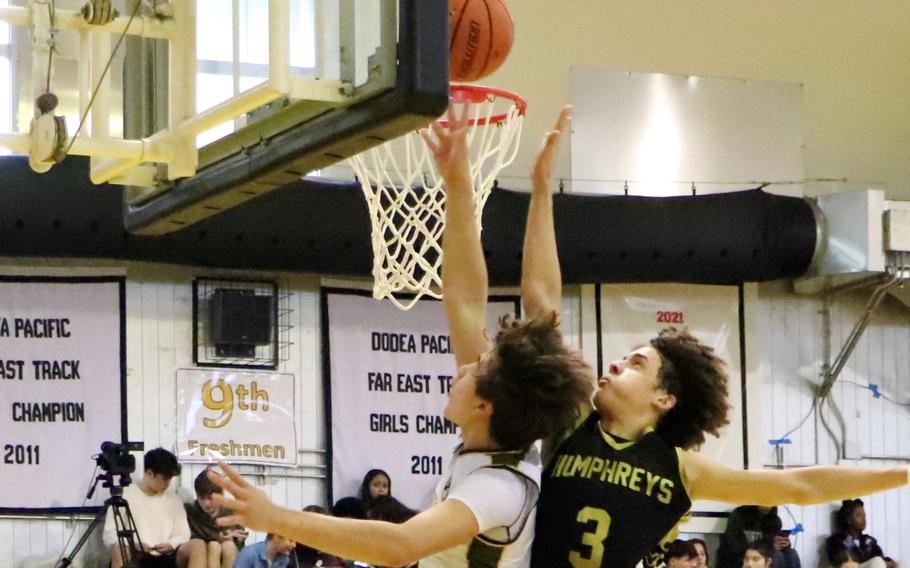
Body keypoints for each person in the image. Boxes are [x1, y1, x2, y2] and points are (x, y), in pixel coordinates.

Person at [206, 106, 593, 568]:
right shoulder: (506, 434)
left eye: (477, 369)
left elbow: (399, 547)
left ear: (484, 405)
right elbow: (470, 301)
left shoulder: (499, 486)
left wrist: (278, 516)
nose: (465, 365)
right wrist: (462, 185)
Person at [521, 123, 910, 568]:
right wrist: (540, 192)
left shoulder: (681, 469)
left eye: (634, 364)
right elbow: (541, 310)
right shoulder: (574, 425)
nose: (613, 364)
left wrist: (903, 473)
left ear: (664, 398)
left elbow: (801, 486)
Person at [102, 447, 191, 568]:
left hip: (166, 557)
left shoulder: (174, 499)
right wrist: (134, 544)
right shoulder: (125, 495)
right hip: (136, 555)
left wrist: (171, 544)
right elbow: (109, 535)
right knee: (119, 550)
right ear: (149, 473)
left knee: (195, 546)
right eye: (164, 478)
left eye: (170, 479)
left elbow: (183, 533)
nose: (168, 483)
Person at [178, 468, 248, 568]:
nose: (206, 504)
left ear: (222, 494)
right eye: (202, 498)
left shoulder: (233, 511)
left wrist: (236, 538)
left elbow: (240, 544)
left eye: (211, 498)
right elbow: (188, 540)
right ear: (197, 495)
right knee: (212, 546)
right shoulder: (189, 511)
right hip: (199, 556)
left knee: (228, 546)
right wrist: (218, 537)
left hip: (226, 554)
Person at [825, 499, 895, 568]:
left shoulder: (869, 541)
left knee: (899, 564)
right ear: (848, 519)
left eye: (864, 515)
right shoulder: (837, 540)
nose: (863, 519)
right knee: (877, 562)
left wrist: (888, 562)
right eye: (859, 515)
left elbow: (881, 558)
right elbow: (844, 562)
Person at [717, 506, 781, 568]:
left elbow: (770, 548)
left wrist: (779, 545)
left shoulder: (775, 521)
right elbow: (733, 545)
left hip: (763, 561)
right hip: (733, 562)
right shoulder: (740, 514)